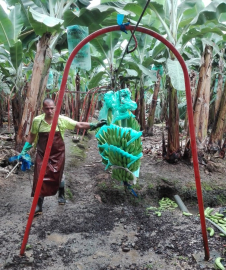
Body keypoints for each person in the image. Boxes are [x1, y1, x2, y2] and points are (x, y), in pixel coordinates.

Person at [20, 98, 106, 216]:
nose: (50, 111)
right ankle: (38, 206)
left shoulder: (61, 120)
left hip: (57, 153)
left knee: (57, 175)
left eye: (52, 108)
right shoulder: (37, 121)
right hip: (42, 153)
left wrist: (94, 125)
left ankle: (61, 193)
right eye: (47, 108)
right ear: (43, 109)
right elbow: (32, 135)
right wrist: (24, 149)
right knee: (39, 177)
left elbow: (79, 124)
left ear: (55, 108)